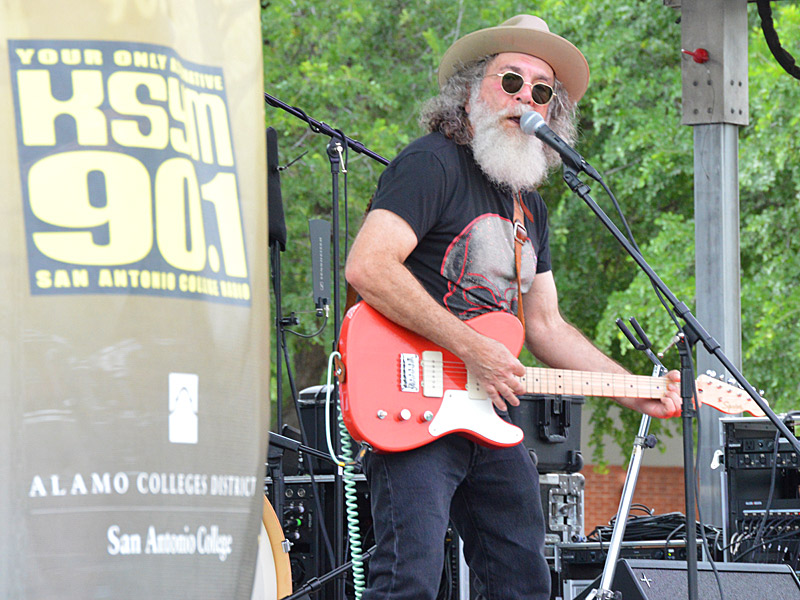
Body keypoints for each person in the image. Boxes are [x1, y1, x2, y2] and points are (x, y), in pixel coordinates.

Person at [344, 14, 682, 600]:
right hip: (413, 405)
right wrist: (473, 347)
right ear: (472, 90)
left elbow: (545, 324)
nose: (526, 96)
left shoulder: (530, 210)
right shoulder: (432, 164)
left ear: (552, 115)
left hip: (488, 414)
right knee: (410, 579)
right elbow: (368, 266)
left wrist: (633, 389)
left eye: (542, 90)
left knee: (522, 577)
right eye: (510, 81)